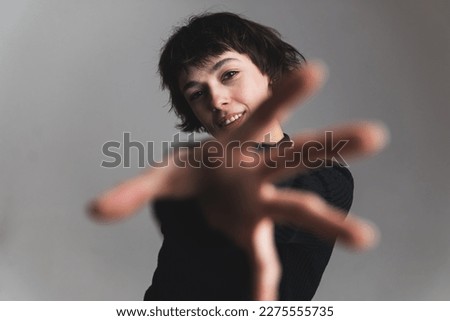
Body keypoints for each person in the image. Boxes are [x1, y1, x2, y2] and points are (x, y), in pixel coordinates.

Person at [89, 12, 388, 300]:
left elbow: (286, 201)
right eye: (196, 94)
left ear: (269, 73)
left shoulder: (326, 176)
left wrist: (241, 191)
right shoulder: (193, 167)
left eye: (229, 74)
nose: (217, 100)